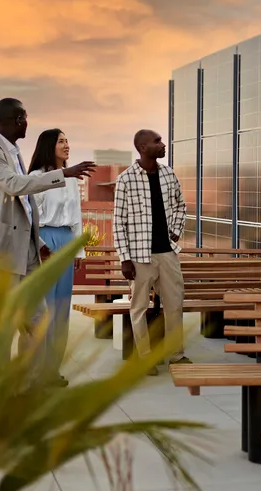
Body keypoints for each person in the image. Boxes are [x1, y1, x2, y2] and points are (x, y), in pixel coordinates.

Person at [0, 98, 95, 387]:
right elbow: (15, 186)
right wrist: (64, 173)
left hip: (28, 248)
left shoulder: (13, 151)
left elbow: (26, 206)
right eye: (25, 117)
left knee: (40, 319)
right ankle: (0, 385)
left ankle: (29, 382)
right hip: (4, 250)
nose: (28, 122)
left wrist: (36, 241)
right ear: (16, 120)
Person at [112, 129, 189, 375]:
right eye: (157, 141)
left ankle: (176, 356)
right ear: (143, 147)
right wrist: (125, 258)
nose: (163, 144)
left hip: (167, 253)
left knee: (175, 304)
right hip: (139, 256)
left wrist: (175, 229)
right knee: (139, 308)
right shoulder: (126, 179)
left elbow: (180, 205)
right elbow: (118, 222)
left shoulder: (168, 174)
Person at [28, 128, 84, 388]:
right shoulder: (36, 178)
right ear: (49, 145)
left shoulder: (71, 179)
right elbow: (29, 217)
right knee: (44, 310)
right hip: (44, 244)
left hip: (66, 242)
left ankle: (53, 370)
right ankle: (37, 371)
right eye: (61, 141)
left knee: (62, 309)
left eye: (67, 140)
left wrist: (79, 249)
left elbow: (77, 218)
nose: (66, 144)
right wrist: (40, 245)